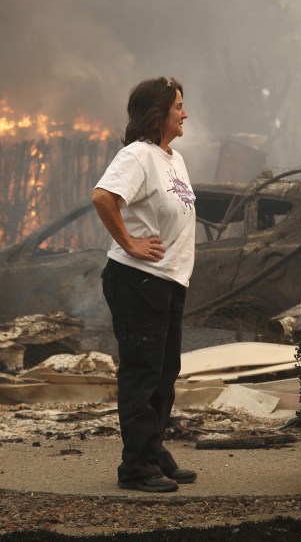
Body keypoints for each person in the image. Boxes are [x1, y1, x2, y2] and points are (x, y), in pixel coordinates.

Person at [91, 76, 197, 493]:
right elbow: (103, 197)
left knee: (165, 372)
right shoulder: (137, 156)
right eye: (178, 107)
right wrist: (129, 242)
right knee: (143, 375)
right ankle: (135, 468)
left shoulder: (174, 158)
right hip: (138, 281)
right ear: (158, 114)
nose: (185, 113)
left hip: (169, 281)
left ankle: (152, 451)